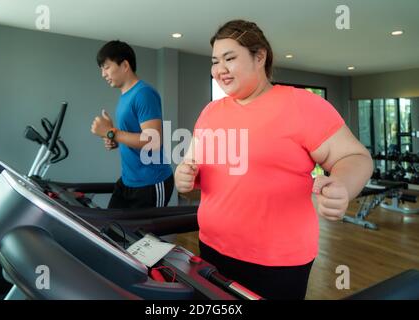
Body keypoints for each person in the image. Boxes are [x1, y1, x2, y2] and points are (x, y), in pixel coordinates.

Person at [174, 20, 373, 300]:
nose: (220, 69)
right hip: (212, 248)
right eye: (215, 61)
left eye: (230, 58)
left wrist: (342, 184)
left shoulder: (302, 105)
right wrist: (183, 177)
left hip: (276, 261)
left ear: (259, 57)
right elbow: (191, 167)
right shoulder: (210, 111)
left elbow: (356, 157)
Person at [91, 40, 173, 209]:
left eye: (106, 67)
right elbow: (132, 136)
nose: (103, 74)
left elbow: (153, 141)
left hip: (151, 182)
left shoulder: (143, 93)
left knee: (145, 236)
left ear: (125, 65)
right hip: (128, 180)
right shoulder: (124, 97)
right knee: (110, 231)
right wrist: (113, 138)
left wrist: (111, 132)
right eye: (101, 69)